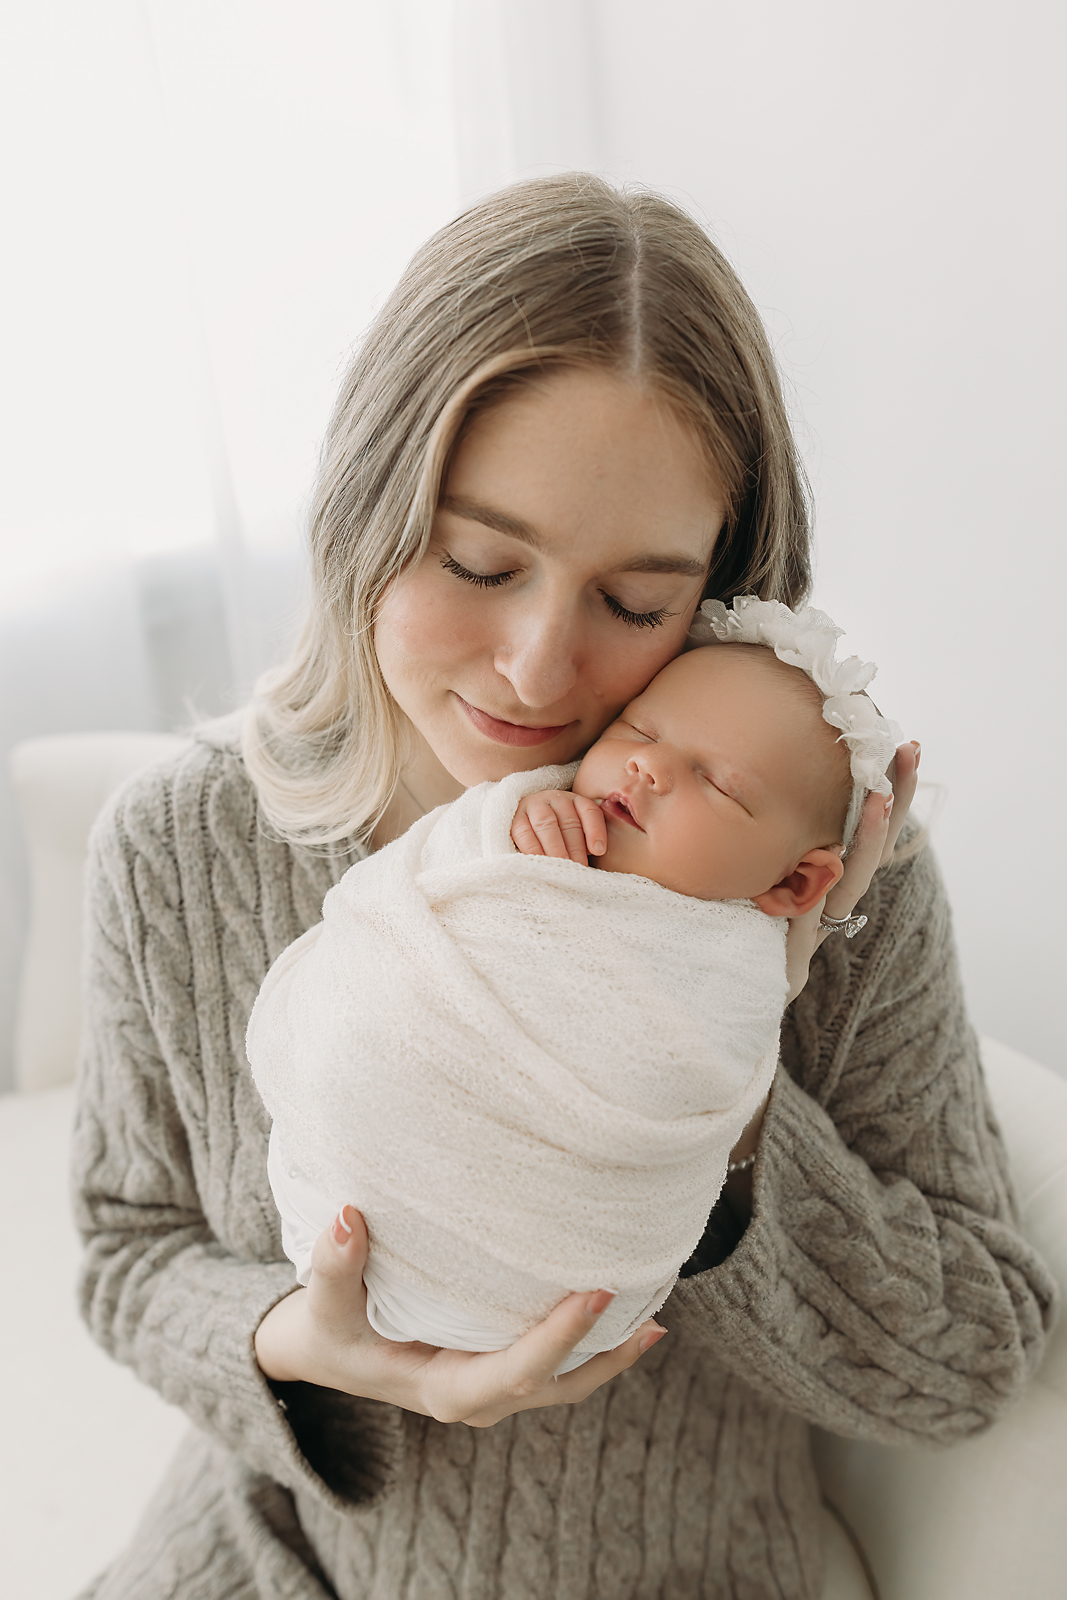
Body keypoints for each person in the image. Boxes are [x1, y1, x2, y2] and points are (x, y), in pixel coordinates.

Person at [73, 174, 1055, 1600]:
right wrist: (303, 1346)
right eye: (478, 562)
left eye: (633, 604)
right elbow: (124, 1250)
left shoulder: (814, 880)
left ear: (725, 596)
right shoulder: (183, 843)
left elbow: (967, 1361)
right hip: (278, 1563)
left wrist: (715, 1103)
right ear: (361, 515)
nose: (537, 668)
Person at [249, 607, 899, 1380]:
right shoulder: (537, 815)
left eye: (718, 785)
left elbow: (983, 1351)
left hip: (542, 1285)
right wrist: (501, 825)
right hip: (340, 1200)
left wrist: (770, 1018)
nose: (646, 769)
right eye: (638, 730)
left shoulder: (739, 966)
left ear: (795, 881)